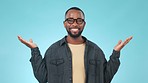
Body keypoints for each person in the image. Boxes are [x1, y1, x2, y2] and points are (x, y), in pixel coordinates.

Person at [18, 7, 133, 83]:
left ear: (84, 24)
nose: (75, 24)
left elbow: (106, 78)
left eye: (79, 20)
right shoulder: (53, 50)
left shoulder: (96, 51)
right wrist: (34, 50)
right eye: (70, 20)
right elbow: (42, 78)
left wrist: (116, 53)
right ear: (64, 24)